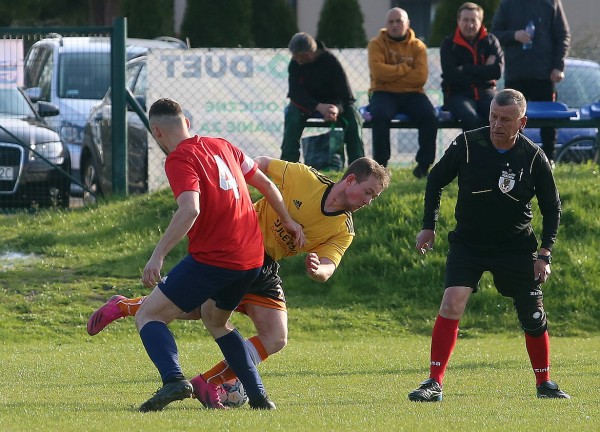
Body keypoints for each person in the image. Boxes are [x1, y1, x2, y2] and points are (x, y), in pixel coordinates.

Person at [88, 156, 390, 409]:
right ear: (350, 180)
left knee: (275, 337)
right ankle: (127, 307)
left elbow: (328, 267)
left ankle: (207, 381)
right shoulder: (304, 178)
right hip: (236, 248)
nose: (368, 201)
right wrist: (234, 196)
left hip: (265, 267)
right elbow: (259, 165)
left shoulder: (343, 229)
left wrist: (316, 270)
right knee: (197, 311)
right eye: (368, 193)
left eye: (373, 197)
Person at [131, 98, 305, 412]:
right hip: (252, 259)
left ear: (156, 132)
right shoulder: (223, 145)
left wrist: (157, 255)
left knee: (149, 314)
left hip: (215, 259)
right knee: (216, 320)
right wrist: (288, 220)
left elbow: (190, 209)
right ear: (187, 123)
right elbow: (266, 184)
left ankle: (173, 380)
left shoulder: (179, 158)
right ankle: (259, 397)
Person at [408, 89, 570, 402]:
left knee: (533, 317)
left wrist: (544, 254)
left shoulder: (533, 156)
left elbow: (552, 208)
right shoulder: (468, 144)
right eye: (493, 116)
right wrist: (429, 226)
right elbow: (435, 179)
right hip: (469, 243)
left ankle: (545, 383)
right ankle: (434, 382)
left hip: (515, 246)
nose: (497, 124)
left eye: (506, 119)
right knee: (451, 303)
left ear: (522, 122)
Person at [491, 0, 571, 166]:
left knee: (549, 122)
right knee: (511, 119)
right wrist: (514, 35)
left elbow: (563, 35)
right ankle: (513, 159)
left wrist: (558, 66)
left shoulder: (551, 3)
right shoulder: (508, 4)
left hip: (544, 75)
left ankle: (548, 161)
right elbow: (495, 34)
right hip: (516, 75)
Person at [368, 7, 438, 178]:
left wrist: (391, 74)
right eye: (391, 22)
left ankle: (423, 166)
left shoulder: (418, 46)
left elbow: (420, 78)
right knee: (379, 115)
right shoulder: (376, 44)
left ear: (407, 23)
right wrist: (405, 68)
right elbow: (378, 73)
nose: (395, 25)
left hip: (414, 93)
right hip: (383, 92)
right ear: (386, 24)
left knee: (430, 116)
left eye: (399, 21)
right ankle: (381, 167)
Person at [280, 32, 365, 166]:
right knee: (292, 113)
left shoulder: (330, 61)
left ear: (310, 53)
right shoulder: (295, 64)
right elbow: (295, 94)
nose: (297, 59)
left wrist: (336, 109)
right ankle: (288, 165)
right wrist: (318, 106)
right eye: (294, 56)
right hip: (308, 105)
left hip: (333, 105)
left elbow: (346, 95)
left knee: (353, 117)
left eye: (300, 56)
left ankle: (358, 166)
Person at [440, 2, 504, 132]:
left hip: (486, 92)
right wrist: (484, 70)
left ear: (480, 22)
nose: (469, 25)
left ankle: (507, 146)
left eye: (473, 20)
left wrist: (465, 69)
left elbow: (496, 72)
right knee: (470, 118)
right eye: (465, 20)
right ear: (458, 21)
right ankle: (475, 146)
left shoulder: (491, 41)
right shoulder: (448, 44)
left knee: (502, 115)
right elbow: (451, 75)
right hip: (457, 94)